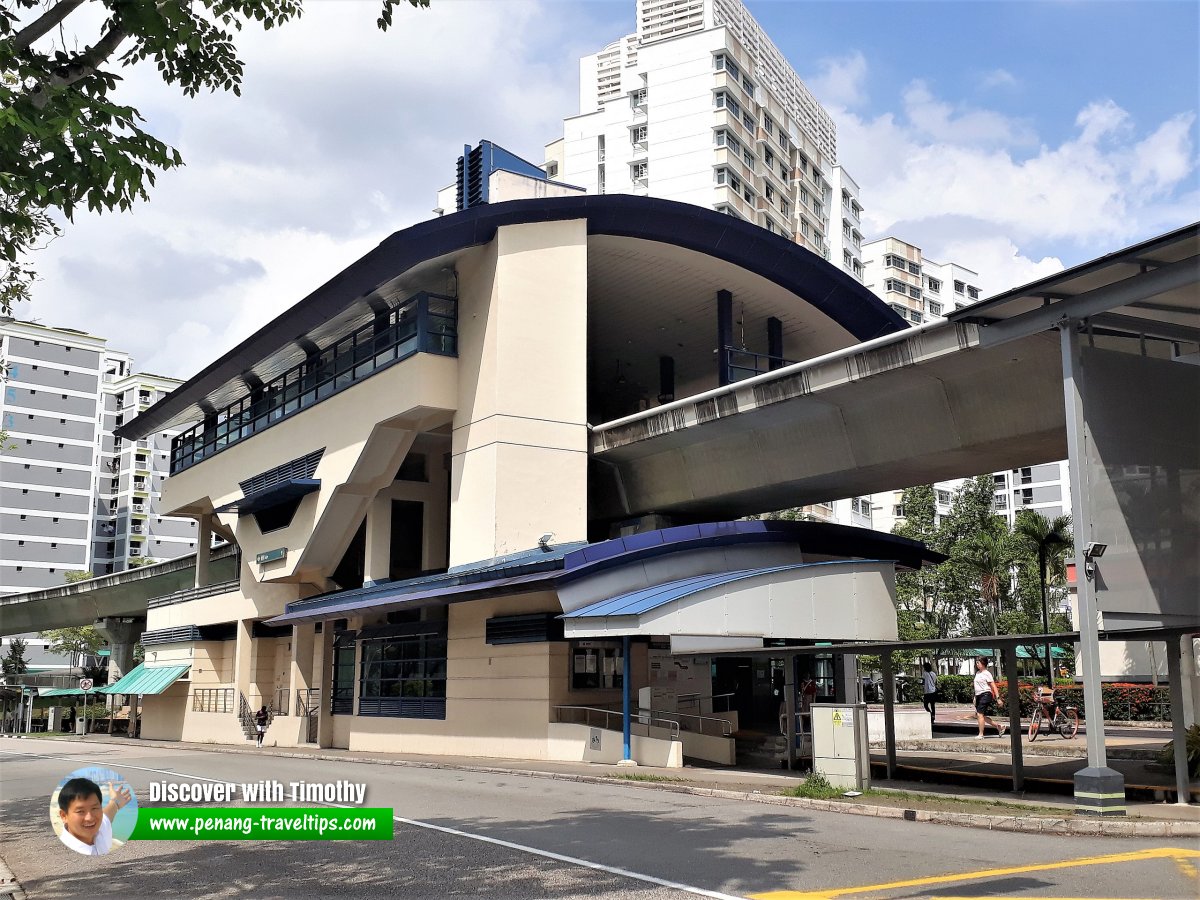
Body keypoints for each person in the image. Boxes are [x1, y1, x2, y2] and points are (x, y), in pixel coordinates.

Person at [57, 777, 131, 856]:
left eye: (94, 808)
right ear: (64, 816)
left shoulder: (99, 831)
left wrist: (115, 802)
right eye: (80, 811)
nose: (90, 818)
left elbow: (107, 815)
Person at [973, 658, 1006, 738]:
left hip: (986, 694)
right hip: (979, 695)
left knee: (980, 714)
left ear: (983, 663)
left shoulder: (987, 673)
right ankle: (999, 726)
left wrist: (998, 698)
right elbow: (977, 686)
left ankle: (981, 734)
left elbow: (993, 685)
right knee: (979, 715)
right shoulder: (977, 673)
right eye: (976, 663)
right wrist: (975, 697)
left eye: (978, 663)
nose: (977, 664)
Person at [921, 662, 937, 727]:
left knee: (925, 705)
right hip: (933, 691)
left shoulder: (924, 674)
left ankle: (930, 714)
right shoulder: (933, 674)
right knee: (933, 705)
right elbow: (935, 682)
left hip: (927, 692)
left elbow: (923, 682)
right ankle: (933, 717)